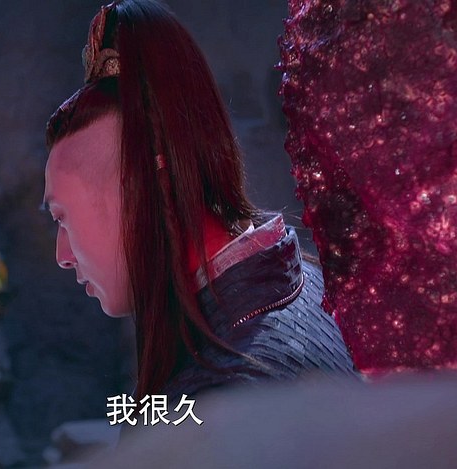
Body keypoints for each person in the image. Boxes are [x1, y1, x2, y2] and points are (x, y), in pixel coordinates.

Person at [42, 0, 357, 406]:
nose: (62, 256)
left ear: (140, 190)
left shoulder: (224, 395)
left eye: (62, 218)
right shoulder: (310, 281)